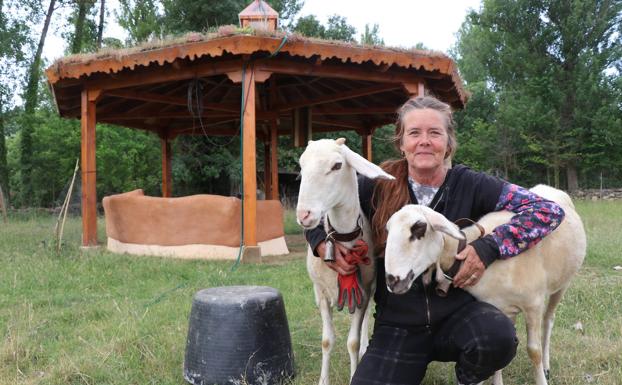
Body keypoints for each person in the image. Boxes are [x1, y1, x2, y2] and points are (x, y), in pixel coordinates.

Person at [304, 96, 565, 385]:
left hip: (461, 311)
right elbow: (318, 203)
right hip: (398, 325)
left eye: (435, 133)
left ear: (449, 143)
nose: (424, 141)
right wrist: (320, 242)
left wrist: (488, 248)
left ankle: (468, 377)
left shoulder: (472, 184)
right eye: (414, 133)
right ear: (401, 143)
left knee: (497, 337)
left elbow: (547, 211)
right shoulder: (377, 184)